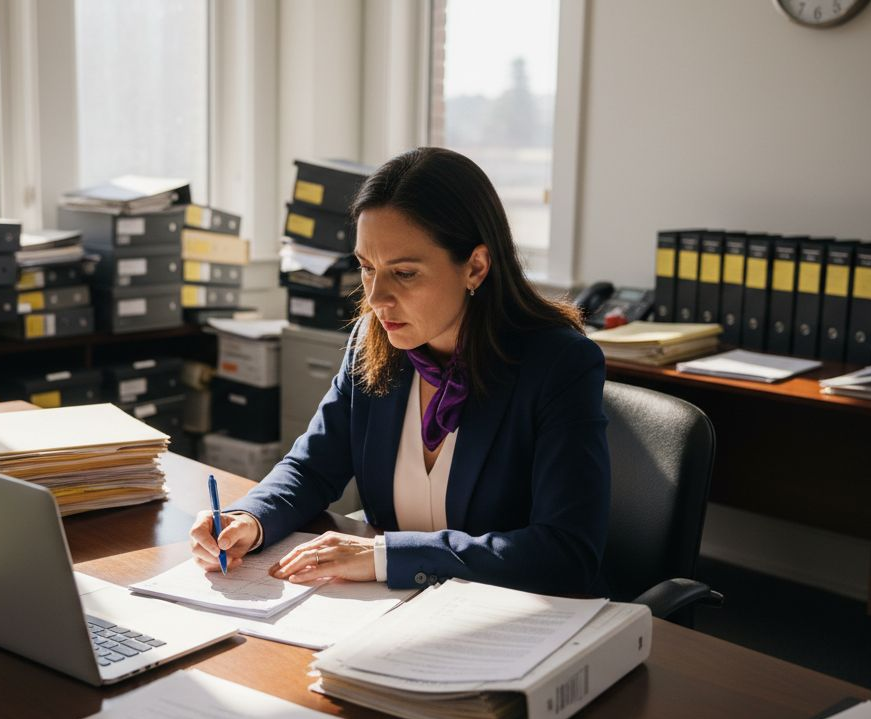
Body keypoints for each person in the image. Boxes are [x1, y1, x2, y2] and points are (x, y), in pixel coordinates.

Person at [190, 147, 610, 595]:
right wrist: (249, 518)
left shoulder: (558, 364)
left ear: (476, 266)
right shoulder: (375, 341)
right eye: (368, 268)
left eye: (404, 273)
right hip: (390, 610)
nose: (376, 298)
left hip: (503, 623)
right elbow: (312, 467)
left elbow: (567, 552)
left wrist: (386, 556)